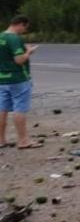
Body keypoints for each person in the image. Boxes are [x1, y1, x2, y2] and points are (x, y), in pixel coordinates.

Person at [0, 15, 39, 149]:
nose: (24, 31)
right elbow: (19, 60)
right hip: (18, 78)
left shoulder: (1, 36)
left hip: (2, 78)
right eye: (25, 28)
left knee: (2, 108)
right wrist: (28, 52)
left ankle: (1, 139)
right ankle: (23, 140)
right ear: (20, 24)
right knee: (19, 108)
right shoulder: (14, 38)